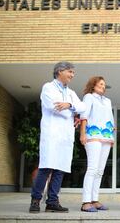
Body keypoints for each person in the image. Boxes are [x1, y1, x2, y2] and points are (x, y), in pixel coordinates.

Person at [29, 61, 86, 213]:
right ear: (60, 71)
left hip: (65, 136)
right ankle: (35, 200)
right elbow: (54, 107)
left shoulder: (71, 93)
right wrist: (72, 111)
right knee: (46, 167)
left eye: (73, 73)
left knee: (60, 169)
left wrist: (70, 105)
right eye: (70, 72)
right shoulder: (48, 87)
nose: (72, 75)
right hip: (52, 134)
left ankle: (52, 202)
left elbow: (83, 106)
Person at [79, 76, 115, 212]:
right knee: (92, 169)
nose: (103, 86)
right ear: (93, 85)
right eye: (100, 84)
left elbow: (110, 120)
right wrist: (82, 134)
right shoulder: (89, 97)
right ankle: (86, 202)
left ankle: (94, 200)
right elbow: (84, 116)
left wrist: (112, 137)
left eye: (104, 85)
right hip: (92, 136)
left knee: (100, 171)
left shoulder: (107, 101)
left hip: (106, 136)